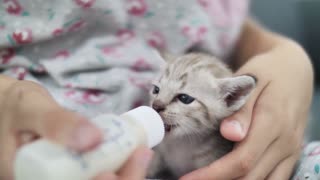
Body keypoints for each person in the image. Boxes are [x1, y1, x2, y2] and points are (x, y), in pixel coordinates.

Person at [0, 1, 313, 179]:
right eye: (156, 91)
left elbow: (220, 23)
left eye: (182, 99)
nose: (157, 104)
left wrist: (282, 52)